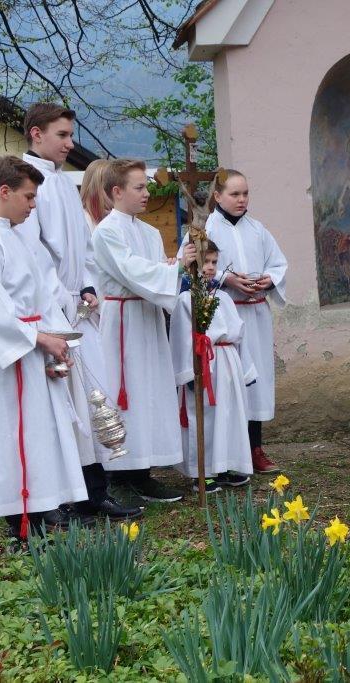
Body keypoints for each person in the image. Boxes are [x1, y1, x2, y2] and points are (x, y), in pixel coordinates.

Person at [18, 102, 141, 521]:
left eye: (71, 135)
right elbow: (33, 255)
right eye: (62, 135)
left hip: (77, 305)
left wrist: (87, 286)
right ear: (36, 134)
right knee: (63, 405)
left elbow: (82, 248)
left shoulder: (62, 182)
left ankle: (93, 492)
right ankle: (61, 497)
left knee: (90, 399)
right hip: (53, 311)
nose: (71, 144)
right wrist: (59, 302)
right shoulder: (27, 183)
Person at [0, 156, 90, 541]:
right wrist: (38, 338)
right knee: (10, 435)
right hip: (8, 358)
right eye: (28, 197)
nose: (33, 205)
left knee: (39, 433)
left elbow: (45, 295)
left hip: (36, 349)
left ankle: (42, 506)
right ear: (4, 192)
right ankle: (19, 521)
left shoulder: (23, 240)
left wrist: (59, 340)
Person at [92, 159, 197, 502]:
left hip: (148, 318)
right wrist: (174, 268)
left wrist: (173, 269)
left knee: (151, 392)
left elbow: (157, 276)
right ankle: (120, 475)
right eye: (139, 187)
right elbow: (132, 271)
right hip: (123, 323)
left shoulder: (150, 232)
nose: (146, 193)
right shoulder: (106, 232)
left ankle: (144, 471)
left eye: (146, 186)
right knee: (127, 393)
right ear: (116, 191)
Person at [202, 170, 288, 473]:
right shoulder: (206, 230)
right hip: (226, 318)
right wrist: (226, 279)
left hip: (256, 315)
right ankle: (226, 455)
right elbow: (195, 267)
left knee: (256, 381)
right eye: (234, 194)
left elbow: (278, 263)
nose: (241, 200)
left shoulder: (257, 229)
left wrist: (269, 279)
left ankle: (254, 449)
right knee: (229, 382)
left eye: (245, 193)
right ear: (218, 196)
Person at [170, 241, 256, 493]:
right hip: (205, 366)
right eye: (204, 262)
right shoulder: (185, 300)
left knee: (229, 416)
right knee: (205, 417)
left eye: (214, 262)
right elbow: (181, 338)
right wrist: (188, 373)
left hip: (228, 363)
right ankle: (202, 472)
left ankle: (225, 464)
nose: (209, 268)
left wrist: (245, 369)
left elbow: (239, 335)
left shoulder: (223, 298)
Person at [80, 158, 113, 228]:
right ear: (95, 188)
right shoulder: (81, 220)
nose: (116, 191)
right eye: (110, 185)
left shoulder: (116, 219)